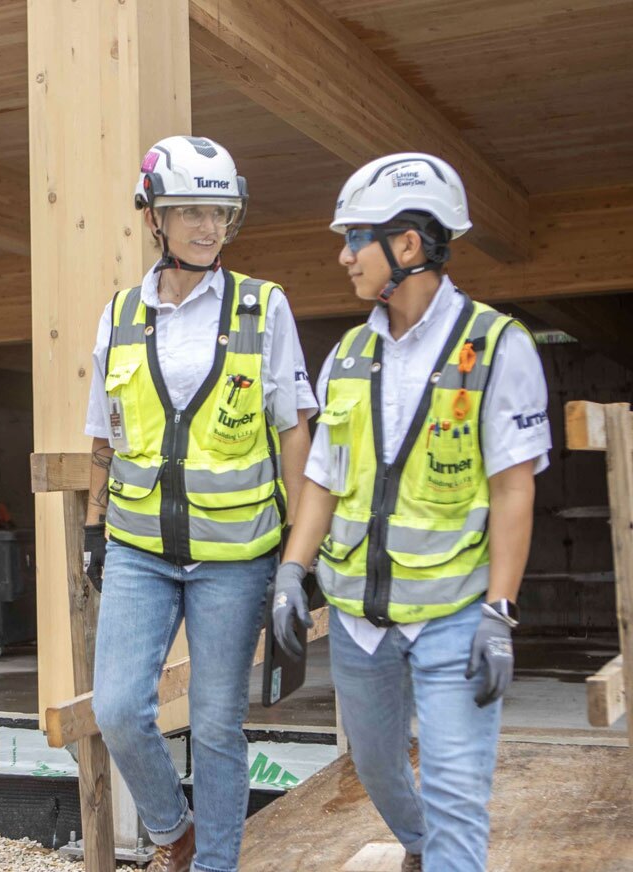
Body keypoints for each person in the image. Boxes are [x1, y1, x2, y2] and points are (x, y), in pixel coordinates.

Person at [271, 153, 550, 872]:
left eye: (354, 237)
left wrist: (499, 612)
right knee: (377, 768)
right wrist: (291, 572)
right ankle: (423, 848)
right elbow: (324, 479)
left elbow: (514, 487)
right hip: (360, 621)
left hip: (455, 614)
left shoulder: (496, 348)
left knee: (458, 790)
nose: (341, 256)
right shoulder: (349, 356)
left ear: (406, 245)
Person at [82, 135, 316, 872]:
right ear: (154, 215)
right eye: (190, 211)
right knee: (117, 709)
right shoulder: (117, 316)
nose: (208, 227)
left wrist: (295, 555)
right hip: (138, 551)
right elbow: (104, 439)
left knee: (217, 726)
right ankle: (171, 830)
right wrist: (95, 526)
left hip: (235, 559)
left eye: (219, 212)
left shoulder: (263, 307)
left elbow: (294, 431)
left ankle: (213, 864)